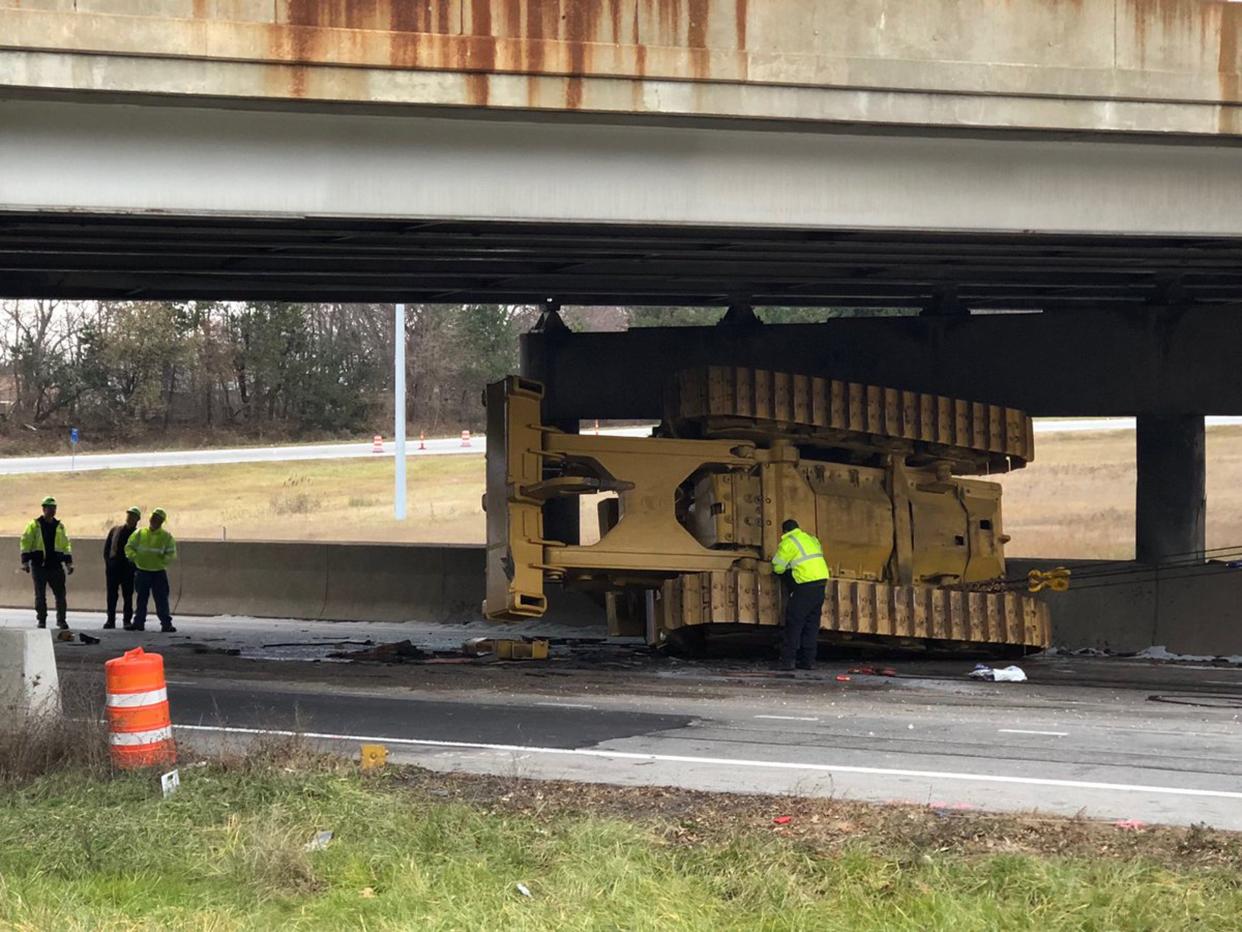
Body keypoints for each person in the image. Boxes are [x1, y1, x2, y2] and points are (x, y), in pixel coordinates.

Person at [770, 518, 830, 671]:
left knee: (794, 624)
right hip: (821, 584)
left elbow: (777, 567)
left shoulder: (788, 542)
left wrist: (787, 573)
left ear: (784, 531)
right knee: (811, 625)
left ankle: (787, 661)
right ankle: (808, 661)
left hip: (804, 586)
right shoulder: (812, 539)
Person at [19, 496, 74, 630]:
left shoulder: (60, 527)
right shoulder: (34, 525)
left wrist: (68, 563)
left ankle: (61, 621)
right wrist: (25, 561)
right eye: (49, 508)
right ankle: (42, 620)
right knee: (40, 595)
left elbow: (66, 545)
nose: (52, 511)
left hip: (56, 566)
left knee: (60, 595)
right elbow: (26, 542)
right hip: (39, 566)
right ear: (43, 509)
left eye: (54, 508)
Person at [125, 507, 177, 633]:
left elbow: (171, 554)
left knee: (161, 599)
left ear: (161, 521)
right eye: (154, 517)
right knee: (141, 599)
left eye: (158, 519)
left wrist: (161, 562)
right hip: (142, 571)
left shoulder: (166, 537)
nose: (155, 520)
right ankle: (139, 623)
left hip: (158, 572)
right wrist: (134, 558)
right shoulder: (140, 533)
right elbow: (129, 547)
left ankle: (166, 624)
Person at [103, 506, 141, 630]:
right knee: (111, 595)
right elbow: (107, 549)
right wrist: (109, 563)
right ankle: (110, 620)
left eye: (133, 516)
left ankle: (127, 621)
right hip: (114, 568)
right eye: (129, 515)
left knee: (128, 595)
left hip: (128, 569)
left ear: (137, 519)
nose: (130, 518)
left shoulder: (139, 535)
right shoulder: (116, 530)